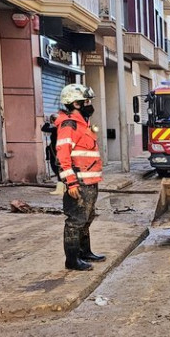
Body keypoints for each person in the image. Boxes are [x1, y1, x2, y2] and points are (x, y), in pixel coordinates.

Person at [55, 83, 105, 271]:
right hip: (79, 181)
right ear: (76, 104)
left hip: (90, 180)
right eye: (86, 101)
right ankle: (72, 259)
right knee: (75, 221)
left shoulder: (83, 123)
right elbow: (63, 155)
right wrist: (70, 183)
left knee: (87, 217)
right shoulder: (70, 125)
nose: (89, 103)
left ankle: (85, 252)